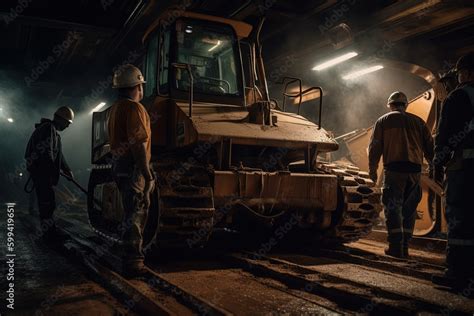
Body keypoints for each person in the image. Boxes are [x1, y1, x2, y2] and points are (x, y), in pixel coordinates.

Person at [368, 91, 434, 258]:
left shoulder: (383, 121)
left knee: (393, 208)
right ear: (406, 105)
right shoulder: (418, 122)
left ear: (390, 105)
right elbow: (430, 148)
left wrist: (372, 170)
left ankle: (396, 247)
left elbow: (375, 147)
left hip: (394, 170)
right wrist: (434, 167)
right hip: (414, 172)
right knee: (409, 209)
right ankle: (405, 246)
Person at [432, 52, 474, 288]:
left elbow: (445, 134)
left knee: (460, 217)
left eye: (459, 74)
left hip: (465, 169)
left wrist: (438, 163)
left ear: (466, 73)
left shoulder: (458, 96)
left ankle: (458, 273)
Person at [108, 64, 155, 277]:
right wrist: (147, 173)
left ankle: (128, 256)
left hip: (120, 165)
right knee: (136, 212)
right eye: (141, 85)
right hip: (133, 166)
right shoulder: (135, 108)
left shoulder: (115, 109)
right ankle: (134, 263)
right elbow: (139, 144)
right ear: (137, 85)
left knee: (130, 211)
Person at [24, 106, 75, 241]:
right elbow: (47, 153)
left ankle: (49, 231)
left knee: (47, 202)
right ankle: (48, 234)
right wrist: (53, 170)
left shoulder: (51, 131)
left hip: (42, 172)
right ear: (62, 120)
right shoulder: (48, 129)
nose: (68, 127)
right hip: (42, 172)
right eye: (68, 123)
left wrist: (66, 169)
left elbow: (58, 154)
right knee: (47, 202)